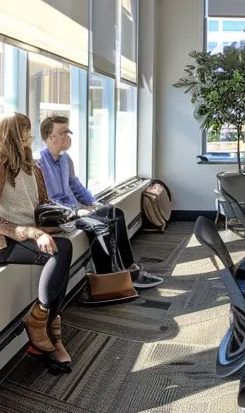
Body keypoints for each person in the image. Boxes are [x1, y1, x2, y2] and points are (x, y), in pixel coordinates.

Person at [0, 113, 73, 374]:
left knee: (63, 247)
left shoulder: (30, 163)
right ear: (10, 135)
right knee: (61, 249)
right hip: (4, 243)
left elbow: (40, 203)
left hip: (31, 233)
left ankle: (48, 330)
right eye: (24, 133)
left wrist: (60, 215)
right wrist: (30, 233)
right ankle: (40, 320)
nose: (29, 138)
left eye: (29, 132)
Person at [37, 115, 162, 291]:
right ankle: (107, 283)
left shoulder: (65, 159)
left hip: (75, 211)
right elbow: (47, 201)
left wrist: (94, 203)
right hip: (61, 217)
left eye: (68, 132)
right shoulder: (39, 164)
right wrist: (76, 211)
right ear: (50, 137)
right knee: (101, 227)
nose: (68, 136)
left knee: (113, 212)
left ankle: (130, 268)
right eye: (63, 132)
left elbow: (76, 185)